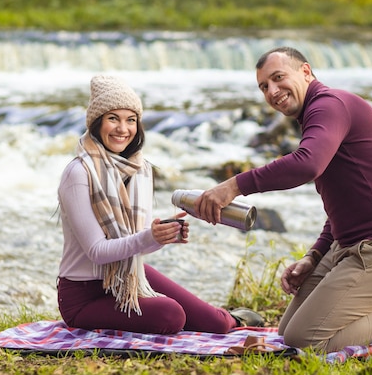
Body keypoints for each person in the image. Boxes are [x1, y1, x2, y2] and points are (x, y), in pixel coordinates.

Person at [193, 47, 372, 358]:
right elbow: (343, 202)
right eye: (264, 86)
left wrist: (234, 186)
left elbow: (306, 165)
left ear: (305, 71)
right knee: (288, 331)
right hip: (349, 248)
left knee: (307, 338)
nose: (272, 92)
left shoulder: (330, 105)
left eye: (278, 78)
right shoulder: (319, 114)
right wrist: (314, 255)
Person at [57, 74, 263, 335]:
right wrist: (149, 236)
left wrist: (163, 235)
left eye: (130, 120)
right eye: (113, 119)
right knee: (170, 315)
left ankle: (232, 318)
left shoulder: (140, 170)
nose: (123, 129)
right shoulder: (78, 173)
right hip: (84, 297)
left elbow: (138, 245)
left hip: (129, 276)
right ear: (97, 123)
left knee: (218, 325)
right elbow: (97, 251)